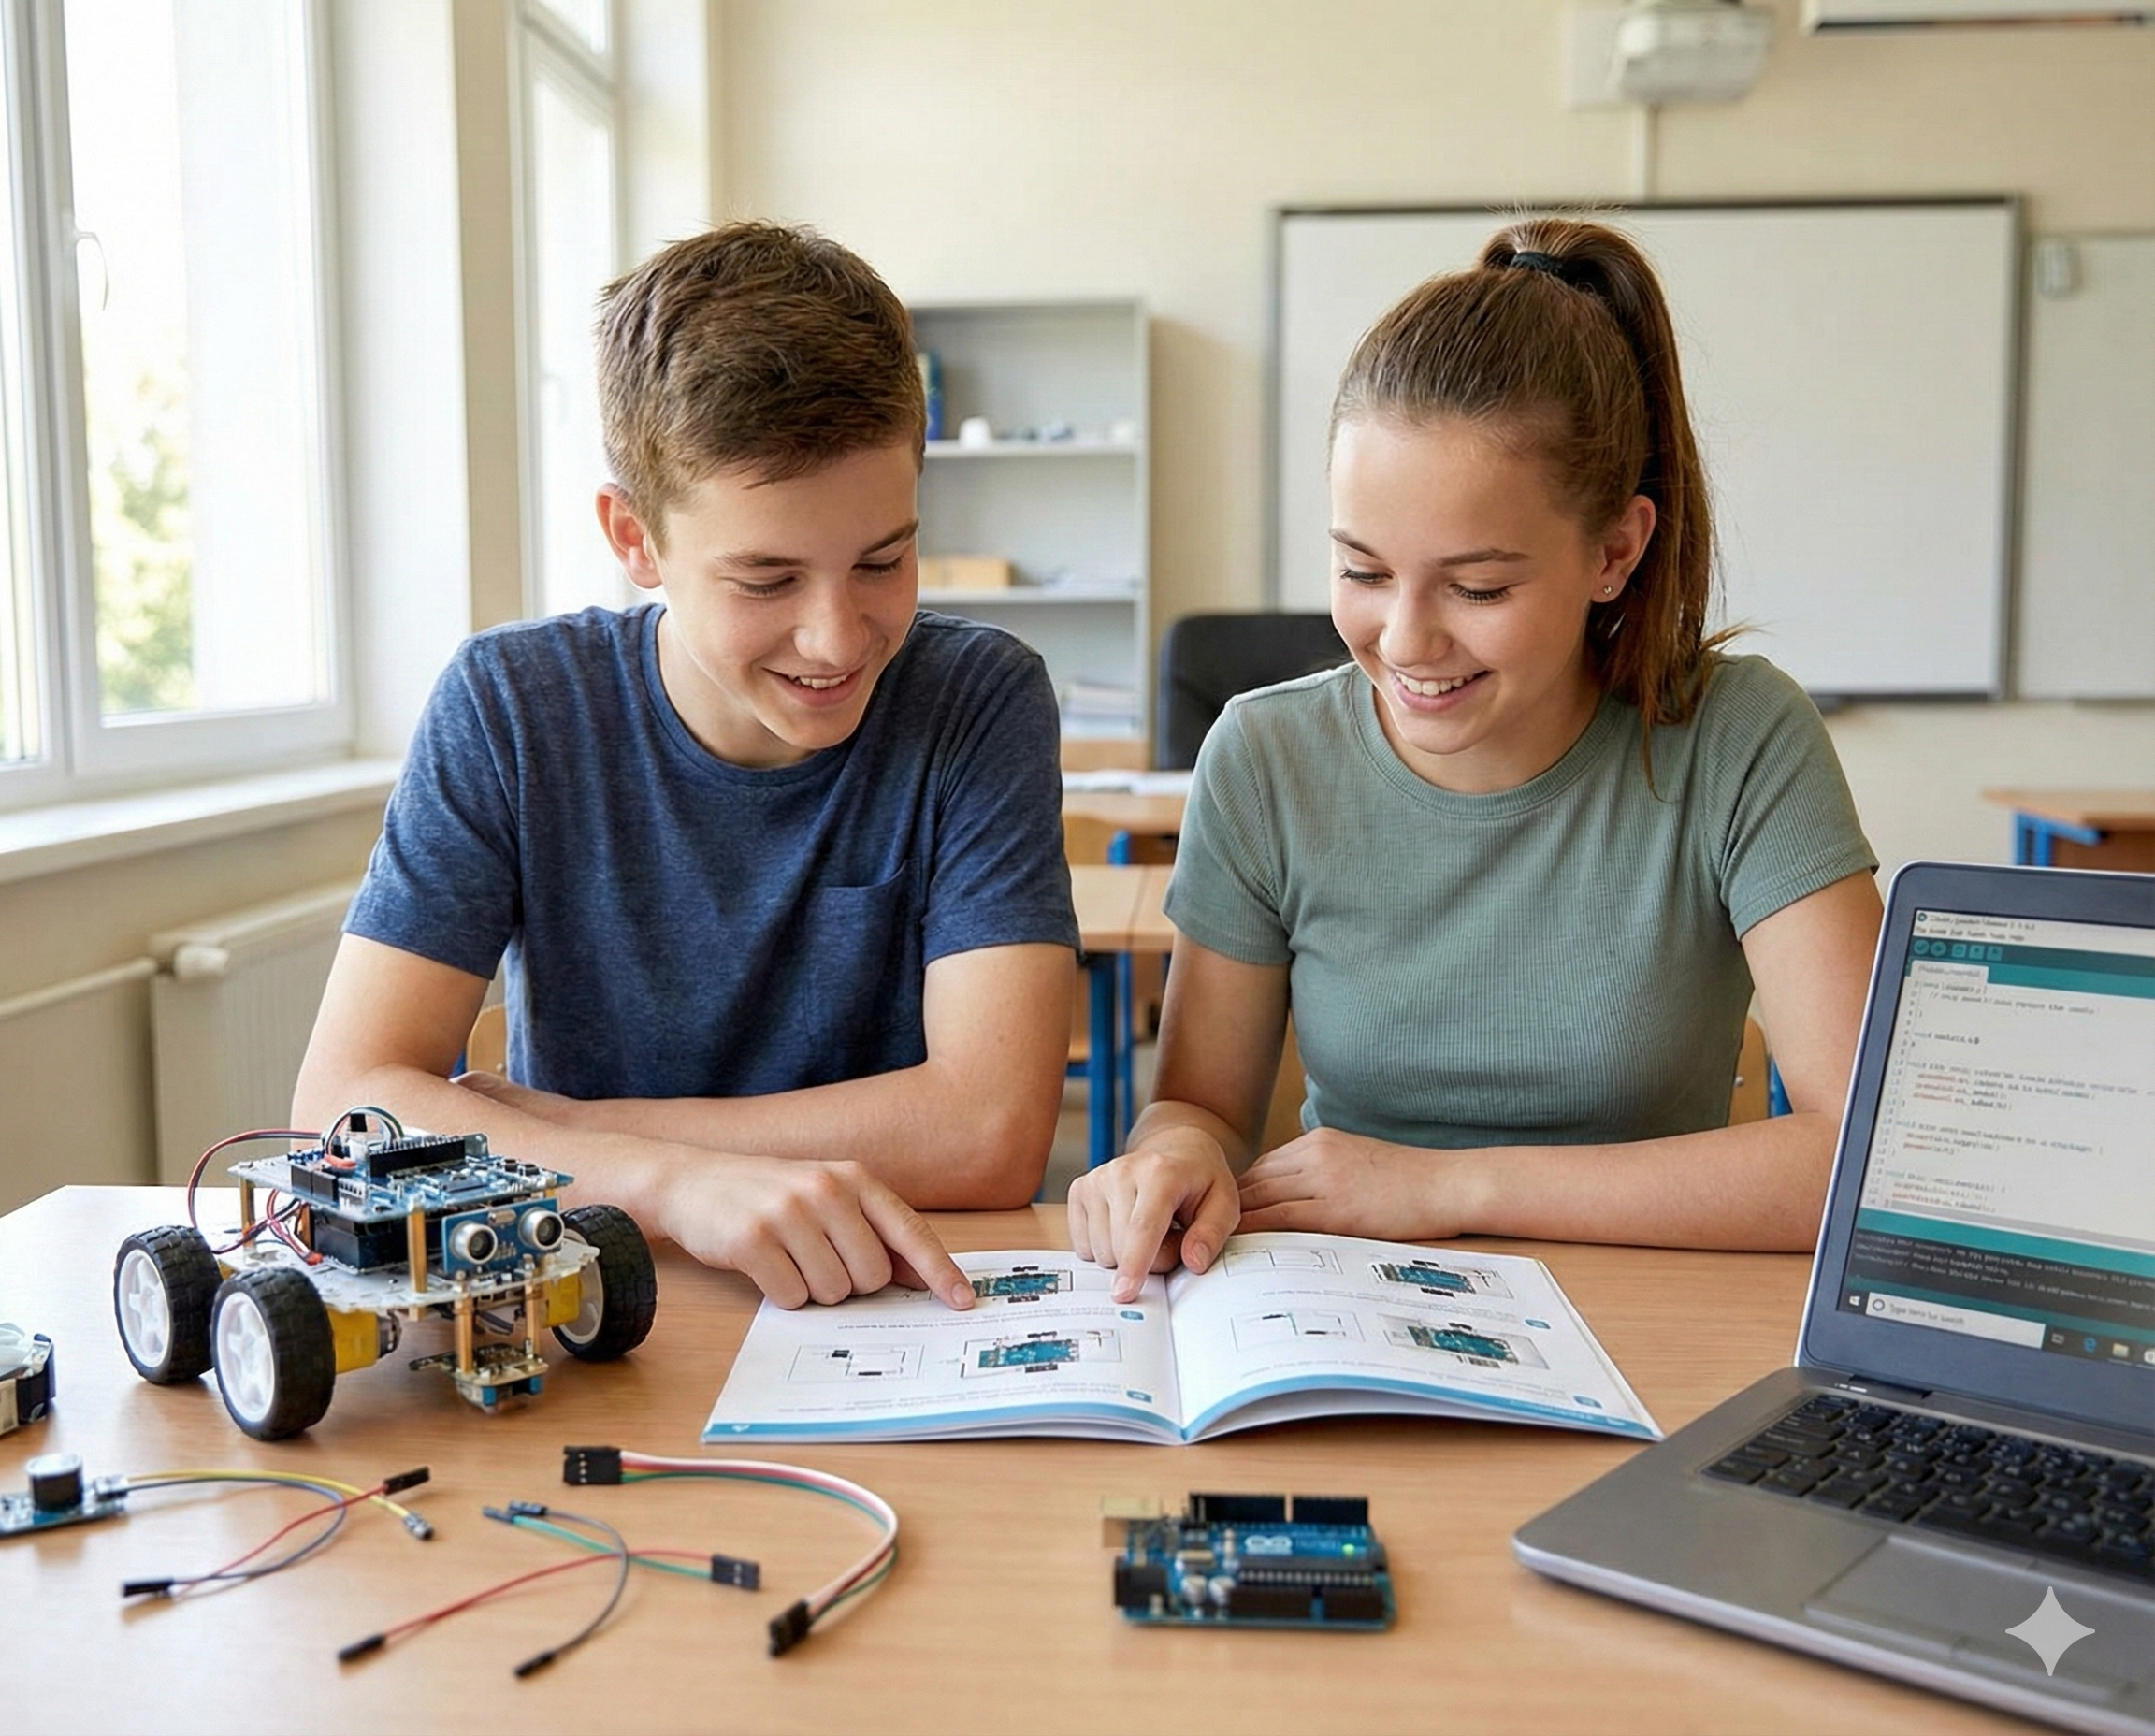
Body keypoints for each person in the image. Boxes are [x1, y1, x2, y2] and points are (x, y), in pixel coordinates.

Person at [1070, 216, 1883, 1303]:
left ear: (1614, 551)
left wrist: (1452, 1185)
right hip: (1346, 1317)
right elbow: (1203, 1108)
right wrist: (1173, 1151)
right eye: (1361, 569)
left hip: (1652, 1320)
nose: (1405, 641)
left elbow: (1865, 1159)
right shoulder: (1265, 754)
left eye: (1479, 588)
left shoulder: (1737, 739)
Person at [295, 223, 1079, 1311]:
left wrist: (551, 1130)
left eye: (883, 561)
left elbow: (989, 1132)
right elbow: (344, 1100)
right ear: (636, 538)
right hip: (601, 1289)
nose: (838, 638)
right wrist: (666, 1182)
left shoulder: (976, 699)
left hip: (887, 1300)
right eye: (766, 578)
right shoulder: (512, 706)